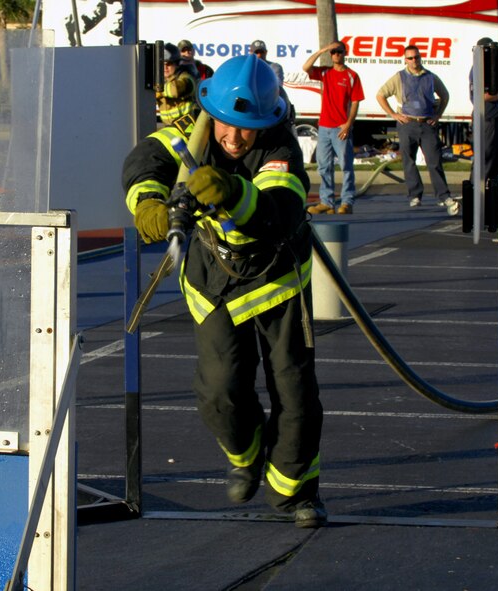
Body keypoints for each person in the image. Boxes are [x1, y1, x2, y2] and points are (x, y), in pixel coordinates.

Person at [123, 54, 326, 528]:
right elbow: (144, 161)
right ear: (209, 112)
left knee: (294, 392)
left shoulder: (281, 148)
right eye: (225, 126)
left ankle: (295, 492)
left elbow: (279, 206)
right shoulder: (188, 132)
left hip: (277, 280)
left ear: (268, 121)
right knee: (220, 388)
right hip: (213, 279)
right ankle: (246, 452)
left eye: (247, 129)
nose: (234, 139)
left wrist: (234, 192)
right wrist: (150, 203)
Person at [376, 45, 457, 211]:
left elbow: (445, 95)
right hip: (407, 124)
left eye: (417, 57)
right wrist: (393, 114)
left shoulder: (430, 77)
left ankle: (443, 196)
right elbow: (380, 94)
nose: (414, 61)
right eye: (411, 58)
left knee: (434, 161)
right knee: (409, 161)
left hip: (427, 124)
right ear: (405, 60)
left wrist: (438, 115)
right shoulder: (399, 78)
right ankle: (415, 195)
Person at [303, 41, 364, 215]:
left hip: (341, 127)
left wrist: (348, 123)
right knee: (323, 165)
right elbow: (306, 67)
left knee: (345, 165)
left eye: (339, 52)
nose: (336, 55)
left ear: (345, 53)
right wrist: (322, 50)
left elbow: (355, 101)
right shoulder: (325, 72)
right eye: (333, 52)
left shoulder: (352, 76)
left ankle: (347, 202)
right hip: (324, 127)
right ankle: (327, 202)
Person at [469, 37, 498, 184]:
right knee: (485, 156)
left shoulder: (489, 68)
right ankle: (476, 190)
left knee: (494, 158)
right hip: (486, 117)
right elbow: (482, 96)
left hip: (493, 117)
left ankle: (489, 190)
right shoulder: (478, 69)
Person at [156, 42, 198, 127]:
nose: (165, 68)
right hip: (169, 126)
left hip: (187, 126)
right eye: (162, 64)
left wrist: (158, 91)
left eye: (169, 64)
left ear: (177, 64)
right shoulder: (161, 80)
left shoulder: (186, 77)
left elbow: (175, 90)